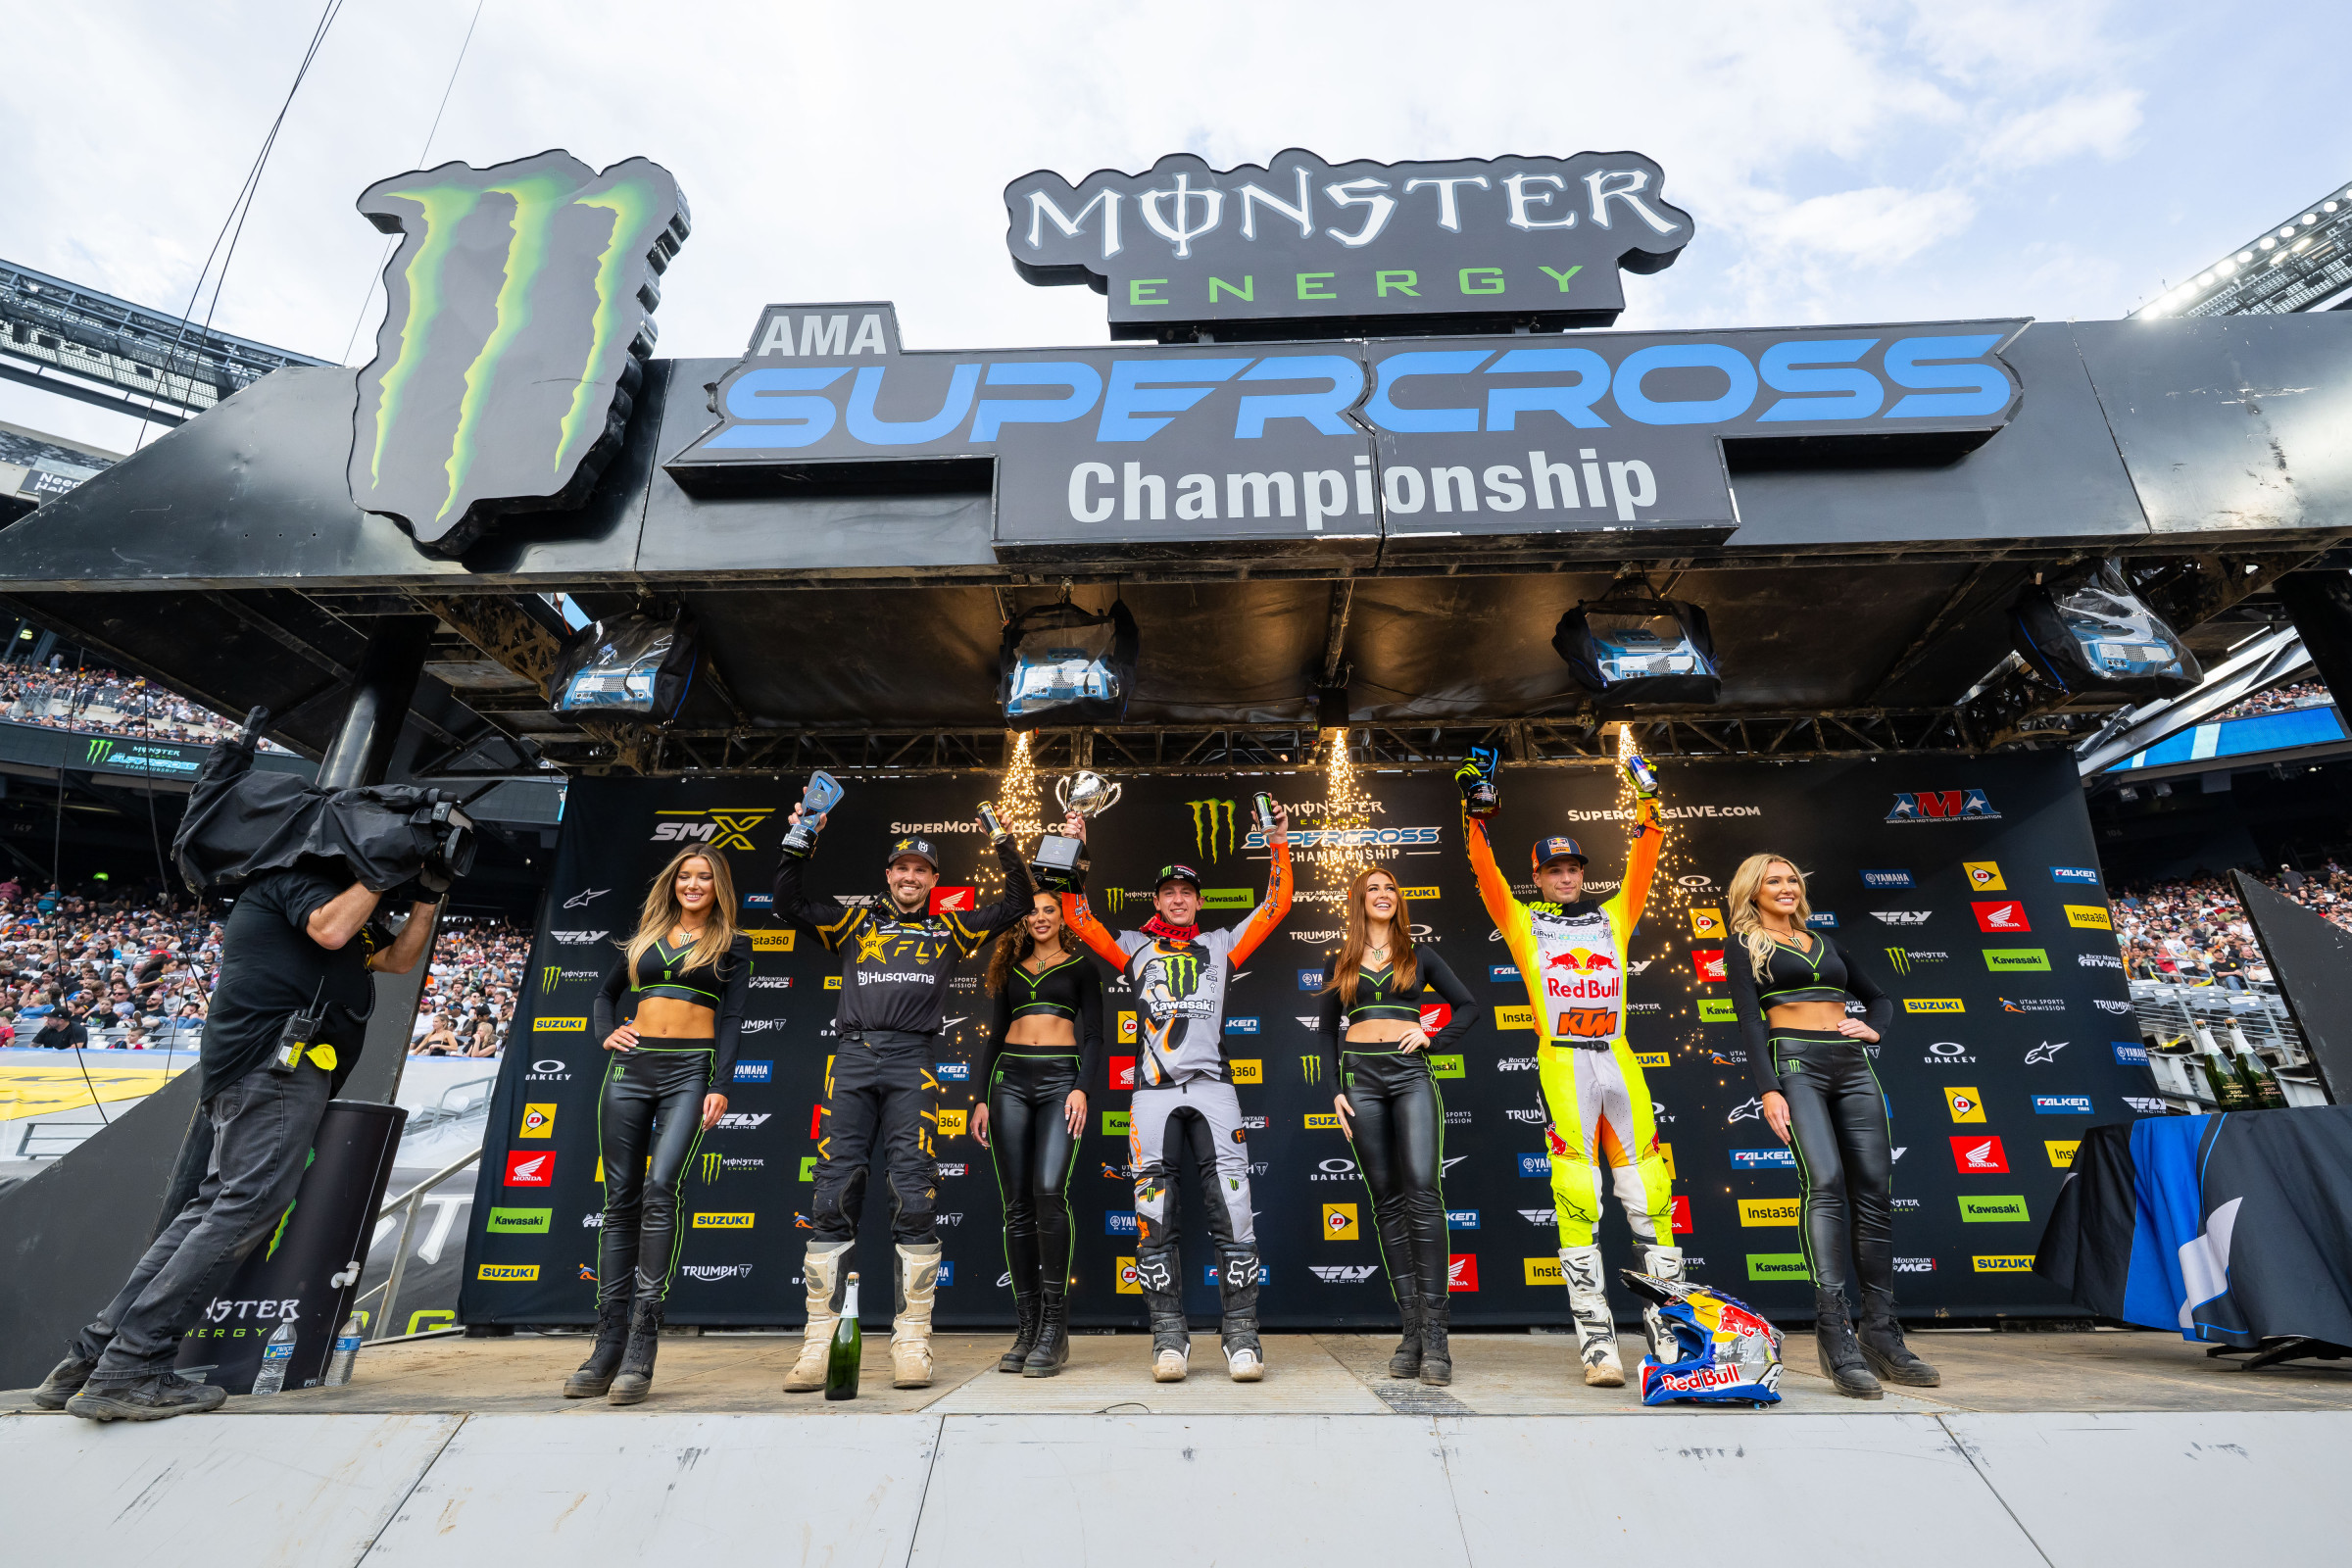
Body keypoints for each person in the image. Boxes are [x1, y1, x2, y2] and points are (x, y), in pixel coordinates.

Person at [38, 869, 440, 1420]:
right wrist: (381, 870)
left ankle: (91, 1359)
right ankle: (132, 1365)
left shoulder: (345, 904)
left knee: (211, 1205)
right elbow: (330, 932)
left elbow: (394, 960)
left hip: (269, 1070)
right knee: (247, 1202)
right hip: (273, 1068)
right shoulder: (295, 881)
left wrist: (427, 899)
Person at [773, 813, 1032, 1391]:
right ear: (888, 875)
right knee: (834, 1187)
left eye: (921, 869)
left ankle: (912, 1341)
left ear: (933, 879)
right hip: (853, 1057)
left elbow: (1017, 903)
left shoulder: (951, 927)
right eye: (901, 868)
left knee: (912, 1190)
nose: (910, 876)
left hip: (913, 1059)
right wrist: (801, 839)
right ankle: (817, 1344)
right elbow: (788, 903)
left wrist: (1004, 841)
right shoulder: (854, 921)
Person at [1458, 749, 1678, 1388]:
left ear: (1583, 872)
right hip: (1564, 1065)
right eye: (1553, 869)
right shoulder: (1525, 924)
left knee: (1651, 1195)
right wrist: (1474, 819)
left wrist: (1648, 801)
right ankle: (1598, 1346)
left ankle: (1670, 1340)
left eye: (1573, 867)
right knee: (1577, 1196)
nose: (1565, 876)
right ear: (1538, 876)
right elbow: (1485, 876)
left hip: (1618, 1058)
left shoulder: (1616, 915)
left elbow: (1646, 855)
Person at [1061, 802, 1293, 1383]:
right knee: (1153, 1216)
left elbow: (1276, 906)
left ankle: (1242, 1339)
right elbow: (1077, 914)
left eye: (1188, 891)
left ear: (1200, 900)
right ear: (1157, 900)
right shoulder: (1133, 945)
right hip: (1153, 1094)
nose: (1179, 899)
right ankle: (1169, 1339)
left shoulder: (1221, 944)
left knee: (1234, 1212)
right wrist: (1074, 848)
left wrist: (1279, 844)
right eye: (1169, 892)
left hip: (1214, 1090)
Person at [1727, 853, 1937, 1398]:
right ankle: (1834, 1331)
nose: (1787, 887)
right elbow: (1750, 1019)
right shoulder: (1745, 946)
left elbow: (1880, 998)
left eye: (1792, 879)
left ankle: (1881, 1332)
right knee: (1823, 1183)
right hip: (1794, 1064)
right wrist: (1768, 1088)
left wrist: (1874, 1029)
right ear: (1753, 891)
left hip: (1851, 1064)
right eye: (1773, 881)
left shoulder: (1826, 942)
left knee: (1874, 1192)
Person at [567, 849, 751, 1405]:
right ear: (672, 884)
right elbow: (604, 995)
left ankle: (642, 1346)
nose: (693, 885)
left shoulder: (733, 945)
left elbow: (734, 1019)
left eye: (704, 878)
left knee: (660, 1189)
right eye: (685, 877)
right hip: (629, 1071)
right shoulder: (644, 938)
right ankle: (607, 1346)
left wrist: (721, 1084)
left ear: (719, 887)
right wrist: (606, 1033)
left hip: (690, 1072)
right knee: (619, 1199)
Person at [1320, 865, 1478, 1385]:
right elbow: (1324, 1034)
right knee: (1385, 1198)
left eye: (1391, 887)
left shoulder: (1420, 955)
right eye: (1373, 888)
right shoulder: (1340, 960)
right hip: (1360, 1081)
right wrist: (1335, 1091)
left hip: (1410, 1077)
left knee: (1422, 1194)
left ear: (1399, 900)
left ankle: (1437, 1338)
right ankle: (1410, 1331)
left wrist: (1432, 1037)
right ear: (1358, 900)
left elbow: (1469, 1007)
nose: (1383, 894)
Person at [974, 891, 1103, 1377]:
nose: (1040, 917)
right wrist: (982, 1097)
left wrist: (1082, 1090)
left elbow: (1094, 1037)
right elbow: (993, 1034)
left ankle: (1055, 1328)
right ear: (1021, 920)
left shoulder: (1082, 967)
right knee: (1016, 1205)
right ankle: (1027, 1328)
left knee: (1049, 1192)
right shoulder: (1009, 969)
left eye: (1049, 909)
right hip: (1009, 1081)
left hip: (1059, 1082)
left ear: (1062, 916)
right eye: (1032, 910)